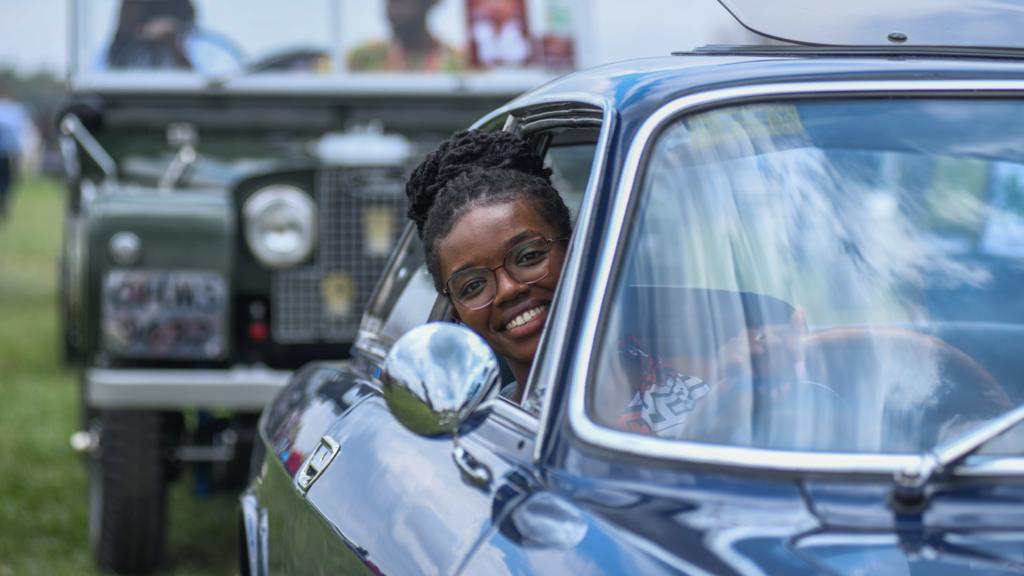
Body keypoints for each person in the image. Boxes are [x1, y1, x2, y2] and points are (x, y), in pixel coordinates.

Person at [405, 130, 571, 401]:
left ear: (574, 248)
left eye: (528, 257)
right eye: (472, 285)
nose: (508, 290)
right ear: (456, 313)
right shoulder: (476, 427)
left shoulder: (657, 376)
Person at [348, 0, 464, 72]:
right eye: (389, 2)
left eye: (401, 1)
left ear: (426, 4)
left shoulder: (459, 62)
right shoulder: (364, 58)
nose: (393, 11)